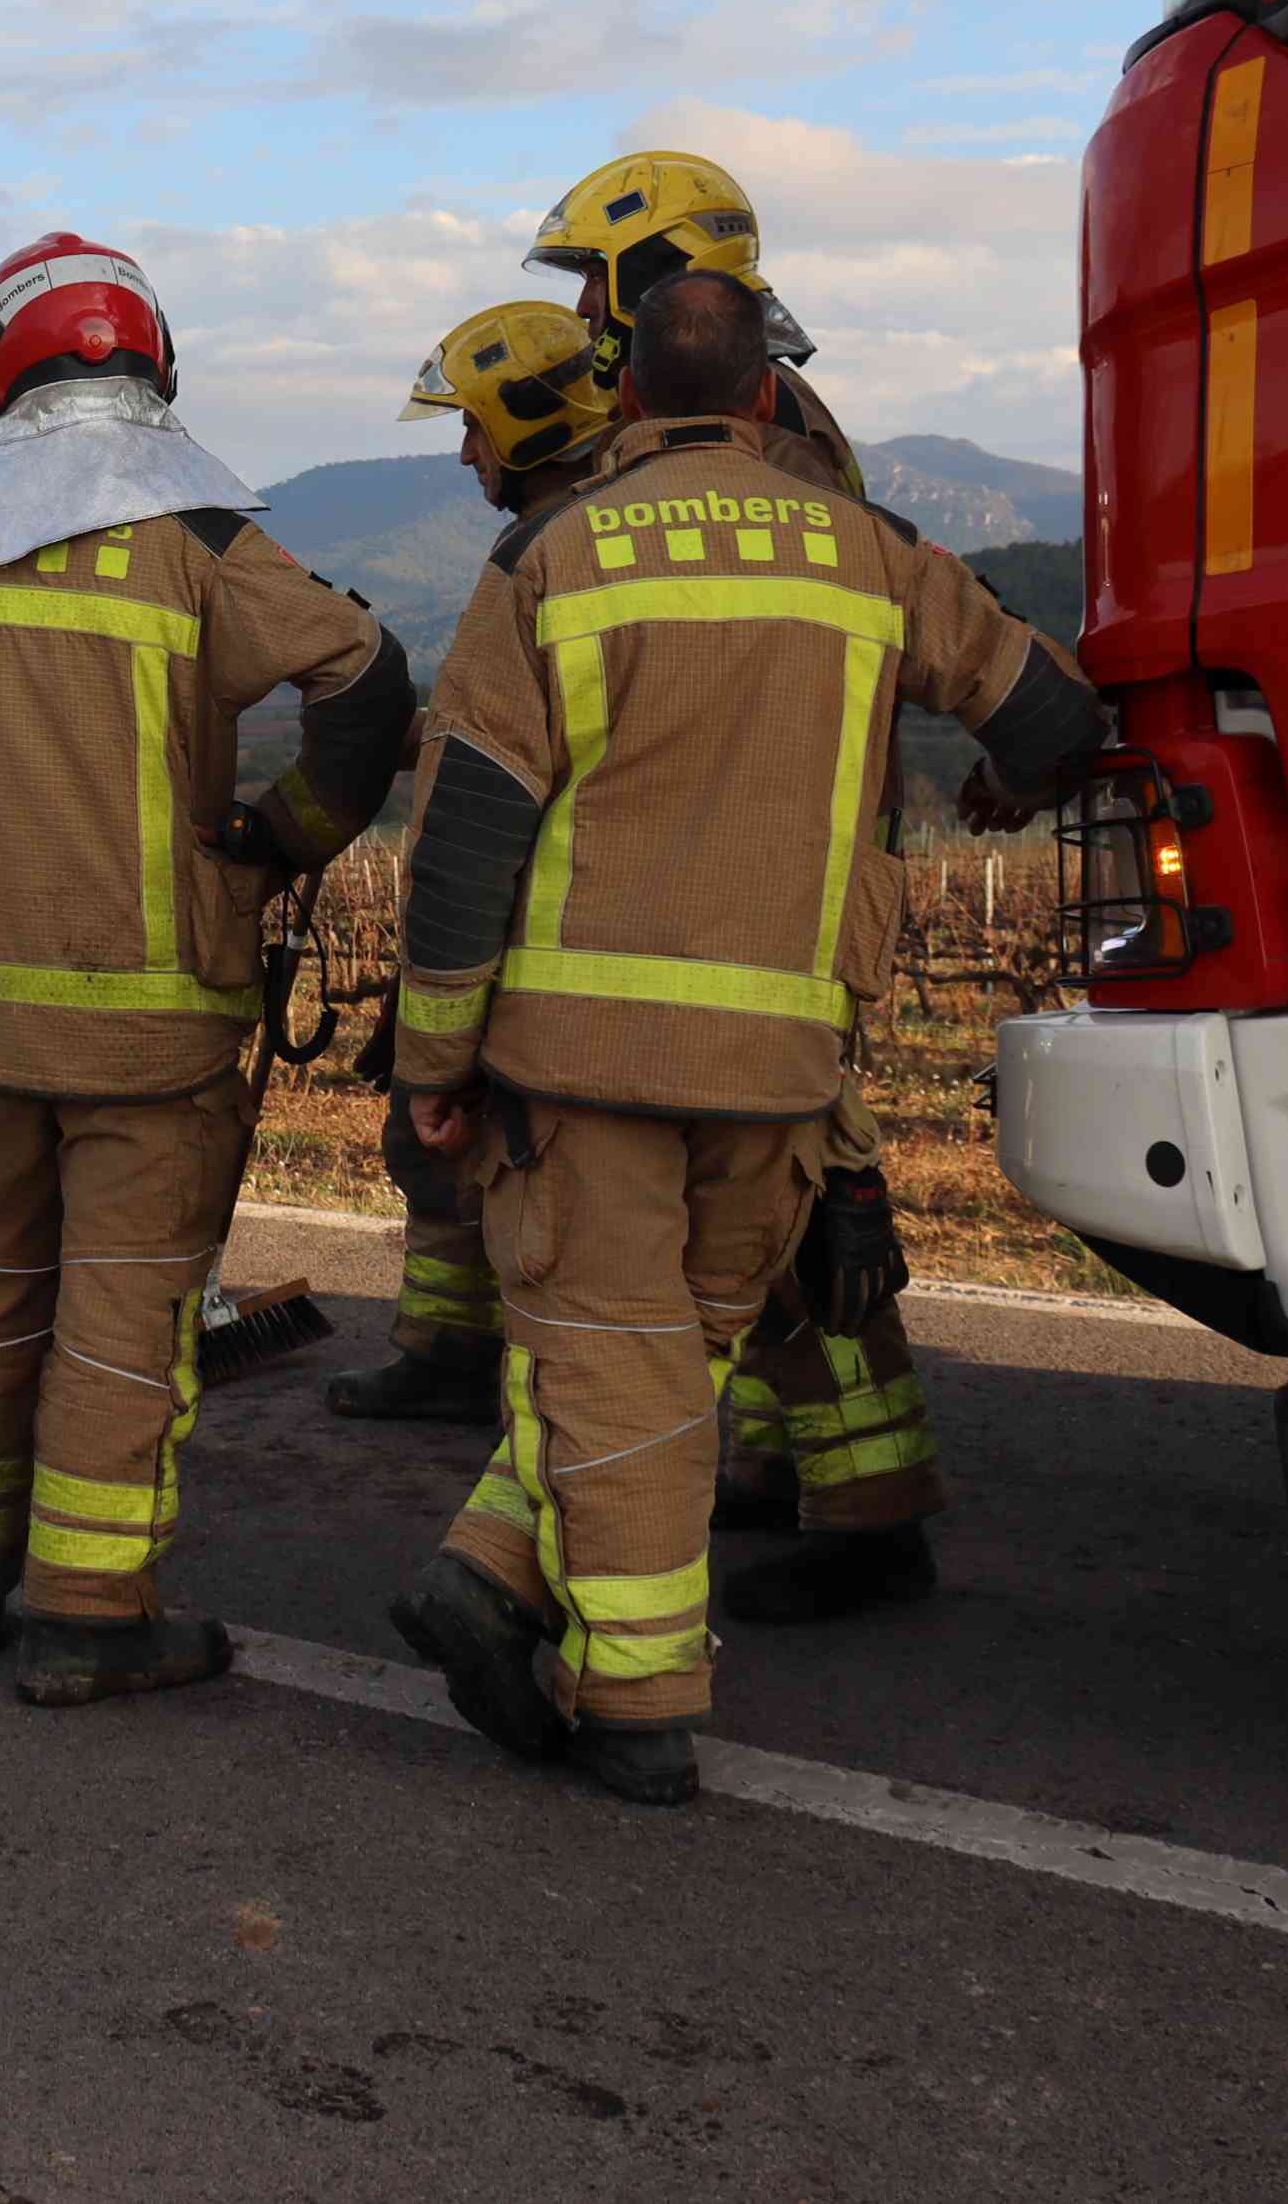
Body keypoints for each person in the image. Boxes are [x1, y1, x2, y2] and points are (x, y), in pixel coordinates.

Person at [381, 270, 1102, 1805]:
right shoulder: (871, 553)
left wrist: (430, 1071)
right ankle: (494, 1569)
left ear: (626, 400)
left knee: (616, 1355)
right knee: (674, 1355)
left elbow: (462, 845)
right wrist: (998, 797)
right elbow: (1051, 720)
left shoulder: (551, 560)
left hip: (576, 1070)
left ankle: (632, 1697)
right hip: (778, 1070)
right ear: (770, 398)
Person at [0, 231, 416, 1708]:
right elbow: (367, 681)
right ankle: (90, 1615)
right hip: (157, 1040)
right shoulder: (203, 544)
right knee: (124, 1320)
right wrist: (278, 842)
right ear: (150, 366)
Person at [514, 149, 958, 1624]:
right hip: (773, 860)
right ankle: (768, 1461)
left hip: (775, 868)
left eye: (596, 277)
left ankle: (872, 1503)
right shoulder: (768, 403)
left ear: (659, 281)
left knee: (812, 1185)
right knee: (755, 1204)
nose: (582, 307)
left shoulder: (773, 439)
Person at [321, 303, 616, 1426]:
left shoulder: (545, 556)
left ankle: (520, 1391)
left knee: (462, 1136)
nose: (461, 454)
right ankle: (444, 1346)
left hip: (537, 930)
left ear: (525, 426)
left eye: (473, 429)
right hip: (546, 922)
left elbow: (495, 778)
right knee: (429, 1145)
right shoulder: (571, 539)